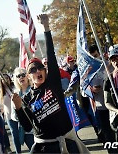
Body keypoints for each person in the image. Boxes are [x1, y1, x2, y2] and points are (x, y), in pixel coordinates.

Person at [12, 14, 89, 154]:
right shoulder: (27, 99)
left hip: (68, 141)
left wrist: (46, 28)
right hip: (45, 148)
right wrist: (18, 109)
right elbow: (28, 127)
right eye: (33, 70)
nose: (37, 71)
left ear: (45, 71)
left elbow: (51, 56)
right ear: (29, 76)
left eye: (40, 67)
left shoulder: (52, 83)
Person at [0, 73, 21, 154]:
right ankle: (18, 152)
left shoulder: (14, 88)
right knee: (15, 135)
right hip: (9, 117)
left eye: (7, 78)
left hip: (19, 114)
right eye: (3, 79)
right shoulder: (0, 93)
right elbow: (1, 107)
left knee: (23, 133)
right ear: (1, 81)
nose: (5, 80)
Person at [13, 67, 34, 150]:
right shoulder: (15, 94)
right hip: (26, 132)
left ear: (27, 76)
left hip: (39, 128)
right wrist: (17, 108)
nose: (21, 77)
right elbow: (14, 117)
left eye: (23, 75)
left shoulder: (34, 89)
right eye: (18, 76)